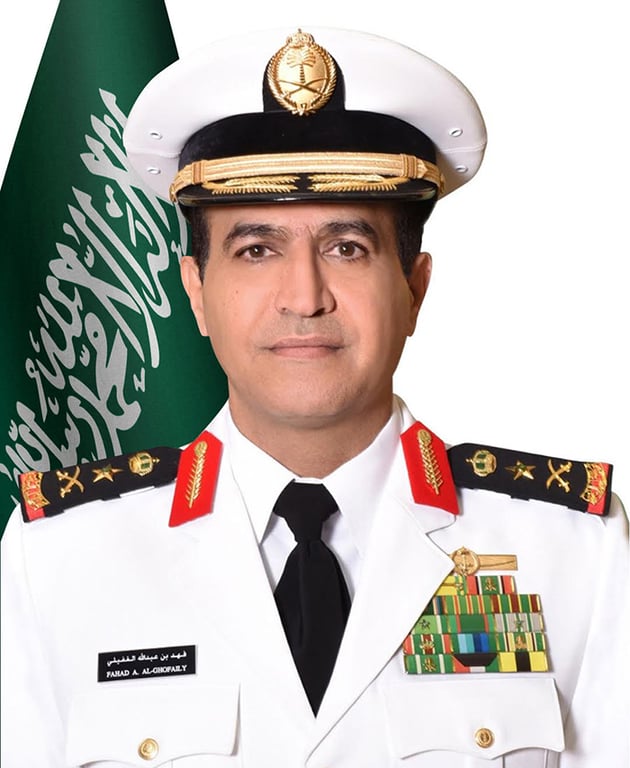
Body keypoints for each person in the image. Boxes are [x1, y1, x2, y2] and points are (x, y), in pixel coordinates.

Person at [1, 26, 628, 768]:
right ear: (196, 292)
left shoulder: (572, 551)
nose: (304, 296)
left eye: (346, 248)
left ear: (415, 288)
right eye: (256, 250)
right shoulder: (59, 555)